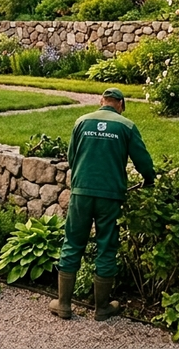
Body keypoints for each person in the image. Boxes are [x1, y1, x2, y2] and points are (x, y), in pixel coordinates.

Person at [50, 87, 155, 321]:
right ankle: (102, 308)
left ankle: (64, 304)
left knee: (73, 243)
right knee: (106, 246)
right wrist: (149, 179)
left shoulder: (81, 122)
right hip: (110, 196)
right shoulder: (126, 126)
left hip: (81, 194)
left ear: (101, 101)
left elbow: (71, 157)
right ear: (121, 104)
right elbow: (143, 160)